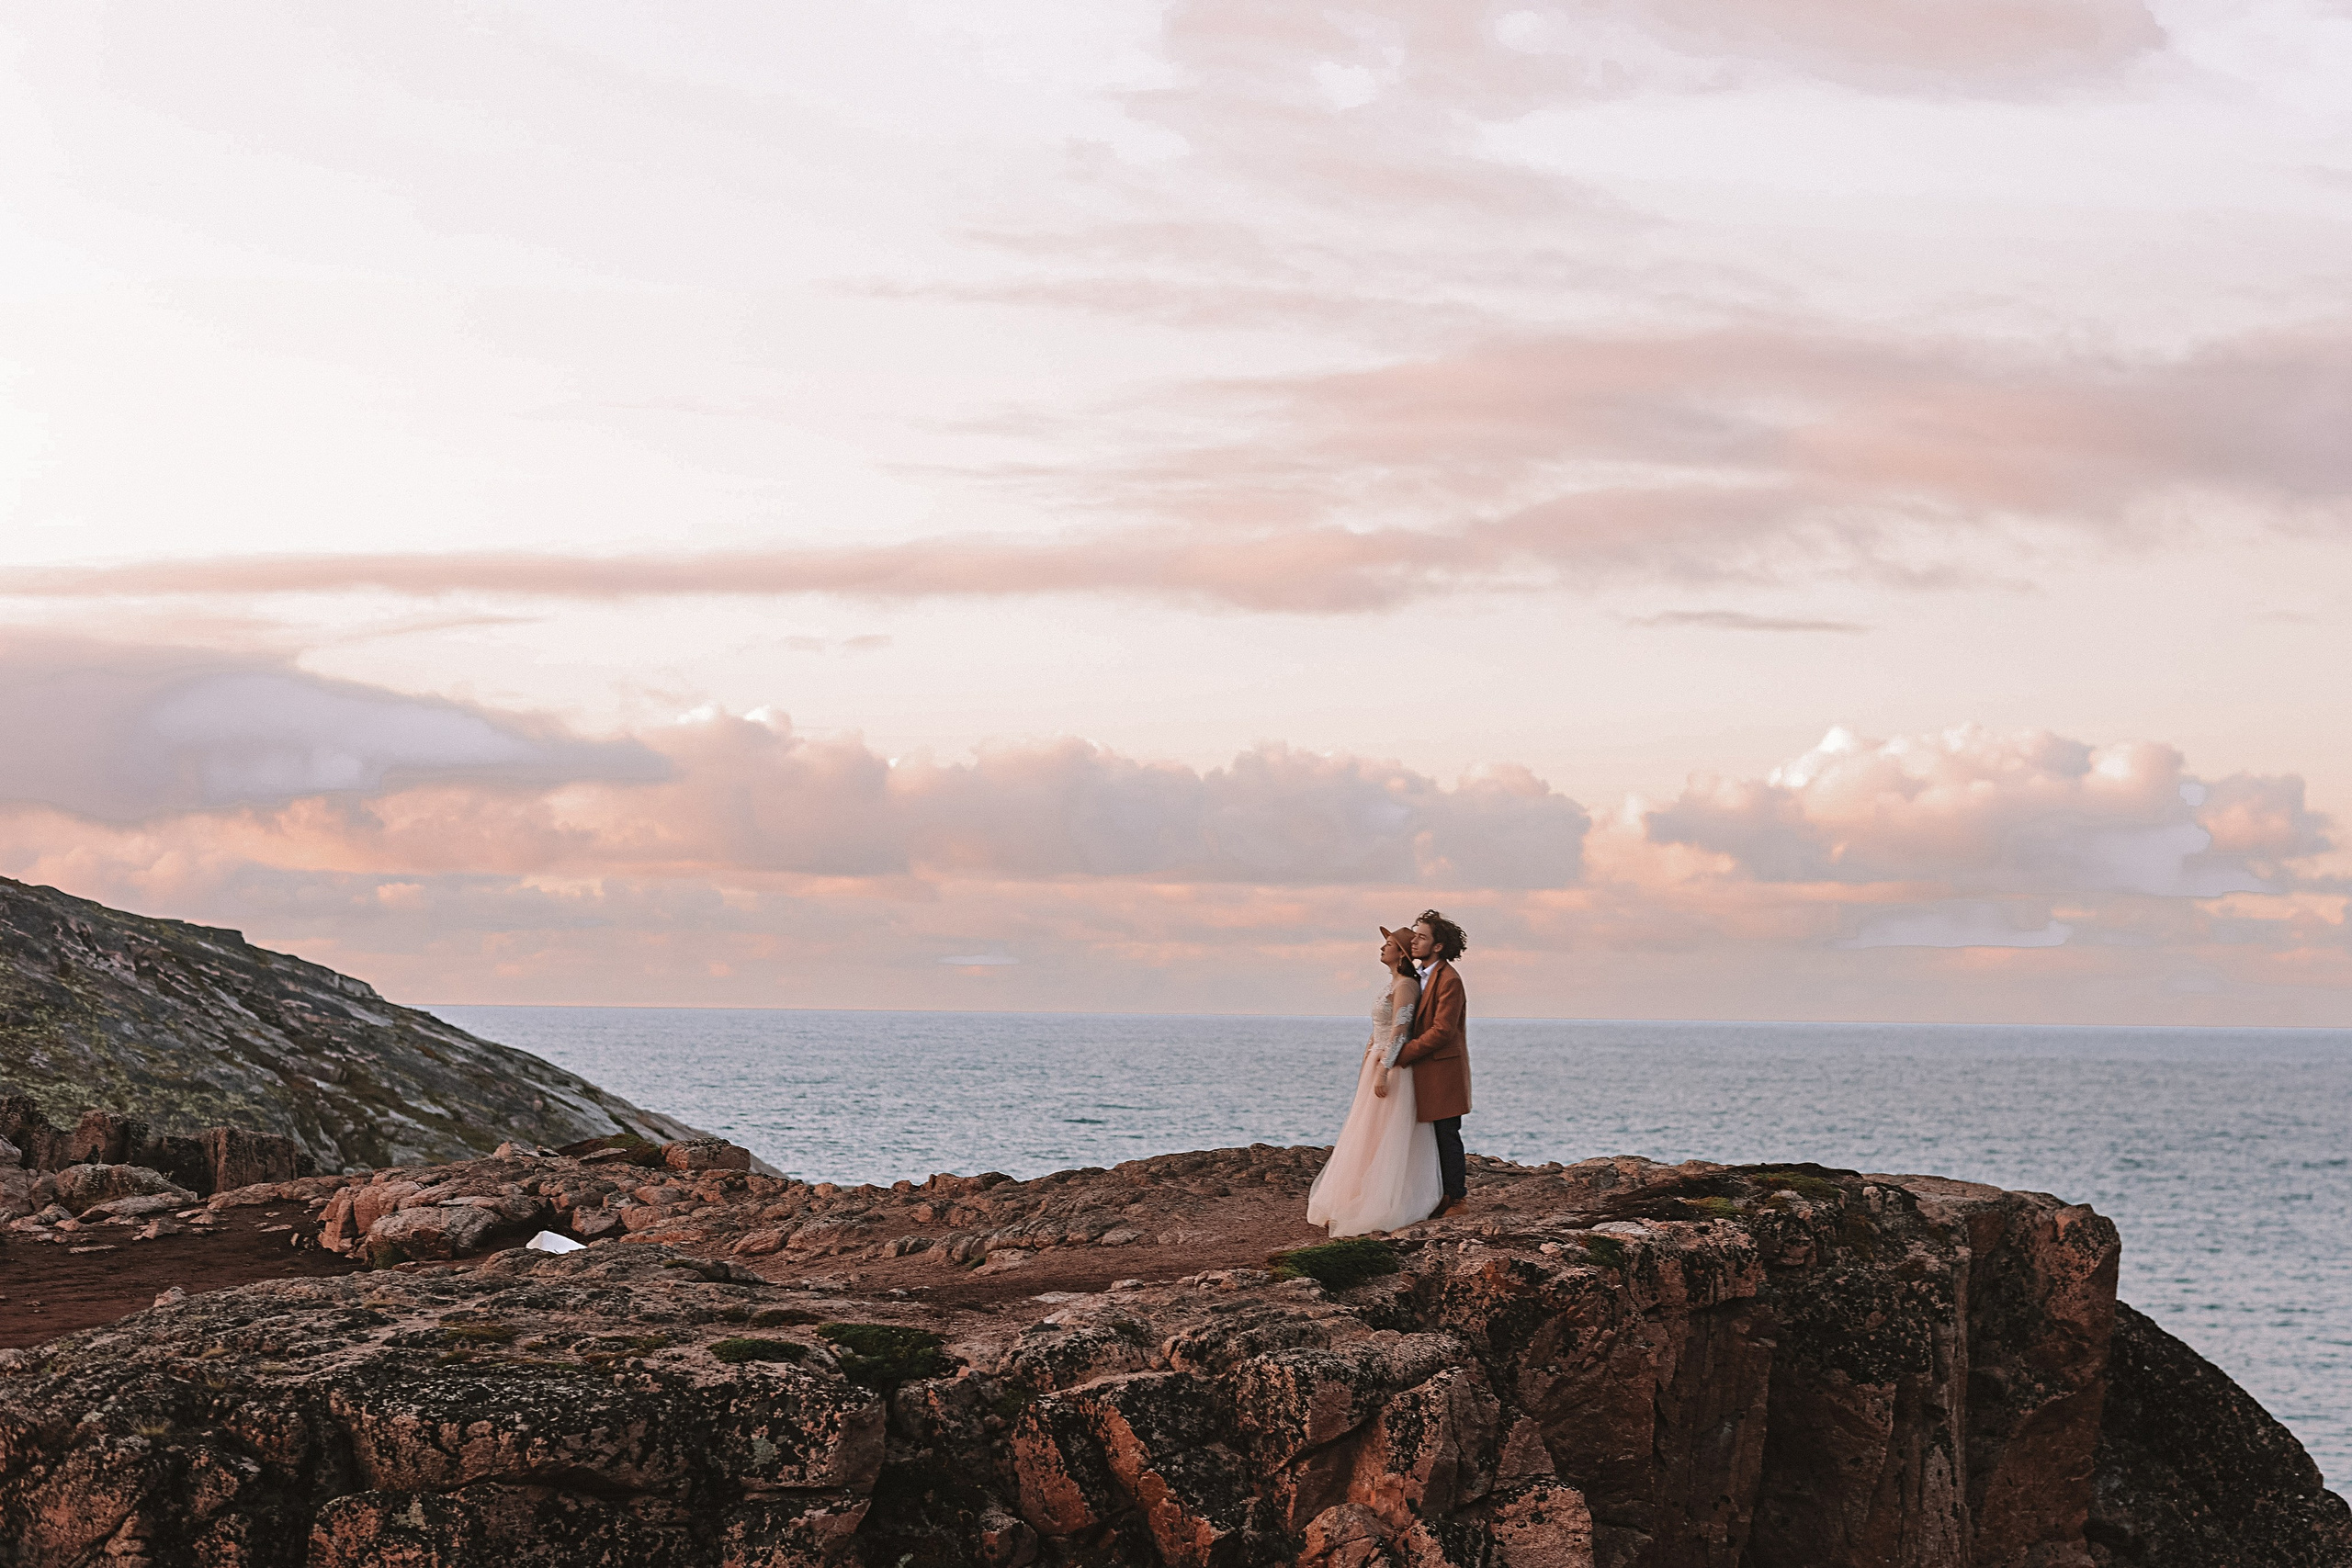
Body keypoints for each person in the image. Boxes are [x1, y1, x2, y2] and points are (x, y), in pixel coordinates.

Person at [1305, 926, 1443, 1236]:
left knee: (1384, 1132)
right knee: (1367, 1131)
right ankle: (1354, 1197)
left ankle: (1380, 1202)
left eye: (1389, 944)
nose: (1383, 947)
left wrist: (1384, 1069)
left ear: (1402, 954)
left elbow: (1401, 1031)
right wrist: (1368, 1061)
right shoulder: (1392, 984)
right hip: (1378, 1060)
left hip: (1392, 1065)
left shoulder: (1407, 985)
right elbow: (1379, 1029)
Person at [1394, 908, 1471, 1219]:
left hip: (1442, 1071)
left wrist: (1403, 1053)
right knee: (1425, 1137)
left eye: (1422, 937)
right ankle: (1433, 1195)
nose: (1414, 941)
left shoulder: (1449, 979)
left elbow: (1442, 1031)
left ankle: (1458, 1200)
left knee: (1446, 1134)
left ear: (1438, 946)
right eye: (1415, 935)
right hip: (1422, 1069)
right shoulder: (1417, 975)